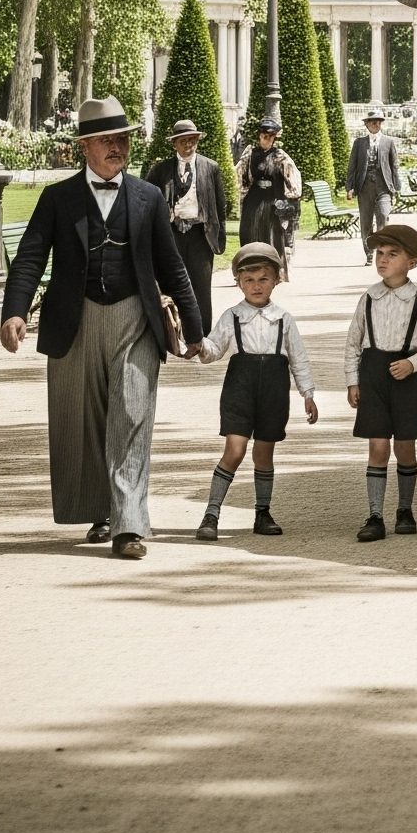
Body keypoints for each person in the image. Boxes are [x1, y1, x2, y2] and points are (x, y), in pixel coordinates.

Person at [0, 96, 205, 560]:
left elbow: (171, 266)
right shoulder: (58, 198)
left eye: (122, 139)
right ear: (85, 148)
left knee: (132, 414)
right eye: (106, 140)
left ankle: (129, 524)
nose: (117, 147)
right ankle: (101, 510)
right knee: (84, 420)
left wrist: (193, 329)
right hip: (74, 318)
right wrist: (14, 311)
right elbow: (31, 256)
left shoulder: (149, 197)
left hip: (135, 317)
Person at [192, 241, 317, 541]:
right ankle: (211, 514)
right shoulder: (232, 316)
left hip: (274, 391)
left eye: (263, 279)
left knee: (264, 454)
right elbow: (212, 351)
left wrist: (307, 393)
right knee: (234, 451)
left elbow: (298, 357)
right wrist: (197, 345)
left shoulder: (284, 319)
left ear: (276, 279)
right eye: (248, 280)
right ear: (238, 282)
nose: (256, 286)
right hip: (239, 389)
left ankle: (262, 513)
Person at [344, 221, 417, 541]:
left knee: (404, 447)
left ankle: (405, 509)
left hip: (408, 377)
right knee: (377, 446)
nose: (383, 259)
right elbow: (353, 341)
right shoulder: (369, 299)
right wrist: (353, 381)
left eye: (392, 254)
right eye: (379, 253)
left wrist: (413, 363)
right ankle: (375, 515)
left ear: (412, 262)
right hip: (373, 373)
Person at [145, 117, 227, 337]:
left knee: (201, 285)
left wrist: (219, 237)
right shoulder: (161, 170)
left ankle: (202, 335)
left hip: (201, 234)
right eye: (183, 141)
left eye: (192, 140)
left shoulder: (211, 168)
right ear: (175, 144)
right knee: (173, 283)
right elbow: (146, 202)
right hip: (171, 234)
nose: (188, 145)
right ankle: (174, 333)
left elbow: (220, 205)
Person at [235, 119, 302, 278]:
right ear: (260, 136)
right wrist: (243, 193)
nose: (267, 139)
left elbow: (293, 176)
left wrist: (290, 197)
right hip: (254, 198)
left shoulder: (280, 156)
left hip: (273, 199)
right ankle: (249, 269)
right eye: (265, 136)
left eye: (271, 136)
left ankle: (273, 271)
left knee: (271, 234)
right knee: (250, 232)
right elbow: (240, 175)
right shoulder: (250, 154)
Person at [347, 108, 402, 255]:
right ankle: (369, 253)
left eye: (378, 122)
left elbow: (394, 165)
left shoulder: (388, 142)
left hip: (383, 186)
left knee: (383, 216)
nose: (375, 124)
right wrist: (349, 187)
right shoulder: (359, 143)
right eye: (372, 122)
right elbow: (352, 166)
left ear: (381, 124)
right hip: (365, 187)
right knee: (366, 222)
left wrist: (396, 186)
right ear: (366, 124)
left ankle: (381, 249)